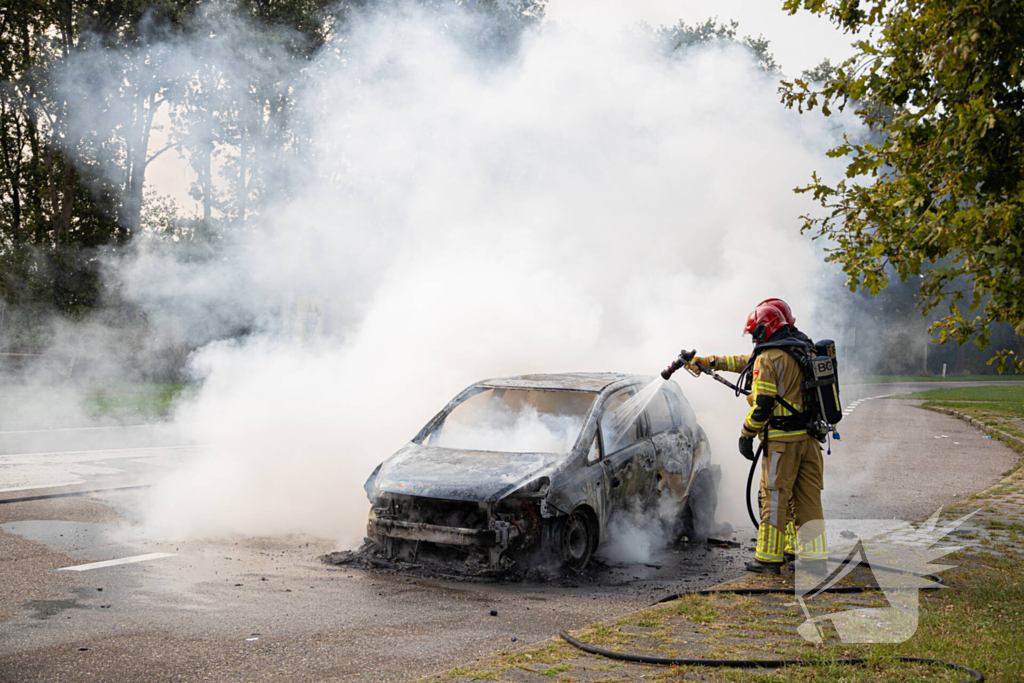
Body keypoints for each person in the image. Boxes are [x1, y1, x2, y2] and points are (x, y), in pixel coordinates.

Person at [687, 300, 828, 574]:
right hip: (809, 440)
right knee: (808, 500)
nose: (754, 338)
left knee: (773, 499)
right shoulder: (803, 349)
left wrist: (746, 434)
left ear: (766, 329)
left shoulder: (768, 358)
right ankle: (813, 559)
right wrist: (710, 362)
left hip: (782, 443)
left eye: (756, 333)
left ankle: (768, 559)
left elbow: (762, 405)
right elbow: (747, 362)